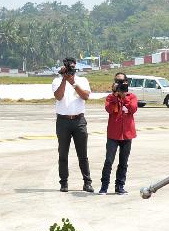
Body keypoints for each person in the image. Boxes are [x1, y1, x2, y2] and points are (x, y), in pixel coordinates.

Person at [53, 56, 94, 193]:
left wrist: (73, 83)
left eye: (72, 66)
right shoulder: (57, 80)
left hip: (79, 121)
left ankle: (87, 183)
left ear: (76, 66)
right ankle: (63, 183)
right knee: (63, 154)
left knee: (83, 154)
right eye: (68, 67)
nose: (71, 69)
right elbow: (58, 96)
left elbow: (85, 96)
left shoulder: (82, 80)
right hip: (63, 121)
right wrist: (64, 80)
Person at [99, 72, 138, 195]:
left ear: (126, 82)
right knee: (109, 160)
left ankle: (120, 186)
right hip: (113, 134)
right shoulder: (110, 97)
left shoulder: (132, 96)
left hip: (127, 134)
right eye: (117, 81)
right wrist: (116, 95)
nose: (120, 83)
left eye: (122, 81)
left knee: (123, 162)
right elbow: (109, 109)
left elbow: (133, 109)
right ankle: (104, 186)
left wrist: (124, 96)